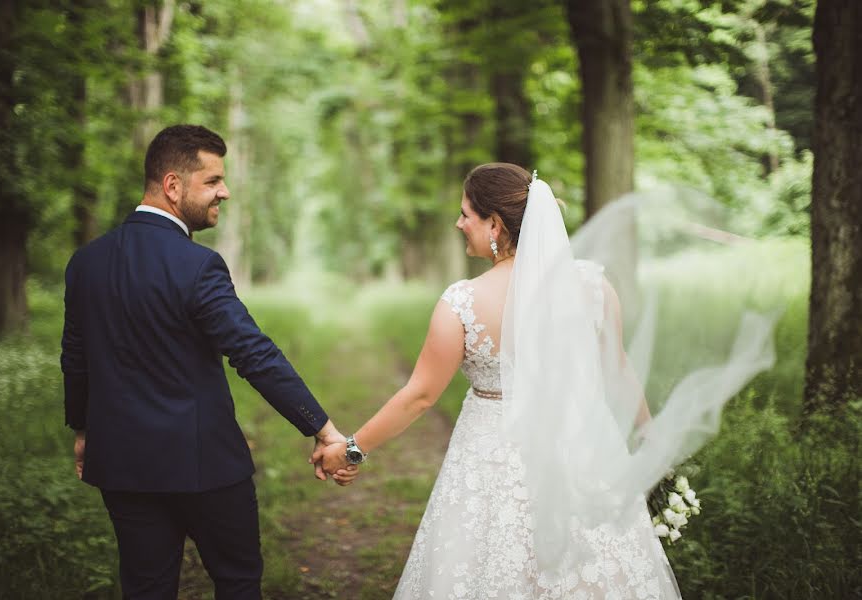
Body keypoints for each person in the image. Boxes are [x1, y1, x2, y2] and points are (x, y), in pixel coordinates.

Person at [317, 161, 774, 598]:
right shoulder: (593, 287)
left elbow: (419, 396)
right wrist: (651, 441)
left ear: (495, 225)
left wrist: (352, 449)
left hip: (489, 451)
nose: (459, 224)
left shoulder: (462, 302)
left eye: (465, 214)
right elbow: (618, 371)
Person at [60, 124, 356, 600]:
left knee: (146, 588)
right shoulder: (197, 266)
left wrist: (83, 430)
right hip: (206, 466)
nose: (226, 191)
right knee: (237, 583)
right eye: (213, 181)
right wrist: (322, 429)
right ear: (173, 185)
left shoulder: (86, 262)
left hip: (121, 464)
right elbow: (253, 354)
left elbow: (76, 359)